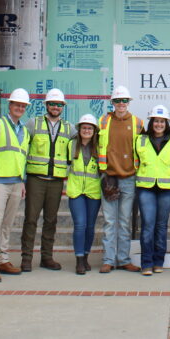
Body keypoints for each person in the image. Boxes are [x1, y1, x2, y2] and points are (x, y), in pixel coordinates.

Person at [21, 88, 74, 271]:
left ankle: (47, 257)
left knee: (51, 220)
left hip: (56, 181)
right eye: (52, 103)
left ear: (63, 107)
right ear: (46, 105)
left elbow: (83, 142)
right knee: (31, 219)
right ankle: (26, 258)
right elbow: (21, 150)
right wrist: (21, 177)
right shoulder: (33, 124)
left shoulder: (69, 128)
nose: (55, 107)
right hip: (36, 179)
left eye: (59, 104)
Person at [0, 88, 30, 283]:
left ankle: (3, 259)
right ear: (10, 105)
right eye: (17, 104)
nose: (19, 108)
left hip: (16, 182)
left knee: (7, 224)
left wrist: (23, 181)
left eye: (23, 106)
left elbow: (22, 157)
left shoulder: (24, 130)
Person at [98, 85, 144, 273]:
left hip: (128, 178)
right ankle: (109, 259)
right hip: (109, 177)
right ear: (113, 103)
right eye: (118, 101)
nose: (121, 104)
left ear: (129, 102)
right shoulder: (103, 121)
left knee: (124, 221)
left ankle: (124, 259)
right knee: (110, 221)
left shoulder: (138, 123)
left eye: (124, 101)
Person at [134, 105, 170, 276]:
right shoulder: (141, 140)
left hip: (167, 188)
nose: (159, 124)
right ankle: (146, 263)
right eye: (156, 121)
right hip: (146, 188)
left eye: (162, 121)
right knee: (147, 225)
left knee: (161, 226)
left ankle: (158, 261)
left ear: (166, 123)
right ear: (151, 122)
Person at [68, 113, 102, 275]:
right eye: (84, 127)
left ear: (94, 131)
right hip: (76, 191)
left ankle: (86, 256)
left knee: (90, 226)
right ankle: (79, 259)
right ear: (79, 129)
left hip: (93, 191)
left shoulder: (100, 147)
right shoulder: (71, 145)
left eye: (90, 128)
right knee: (80, 224)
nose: (87, 130)